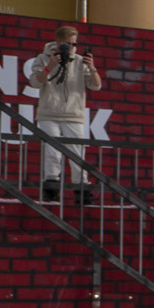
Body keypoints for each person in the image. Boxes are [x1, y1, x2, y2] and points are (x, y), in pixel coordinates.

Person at [24, 24, 103, 201]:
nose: (71, 48)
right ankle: (51, 189)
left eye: (74, 44)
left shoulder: (80, 62)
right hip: (49, 113)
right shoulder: (44, 58)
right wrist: (50, 65)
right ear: (58, 43)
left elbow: (96, 85)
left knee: (77, 153)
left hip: (73, 114)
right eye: (67, 44)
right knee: (52, 152)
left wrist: (92, 67)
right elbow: (35, 83)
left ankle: (81, 190)